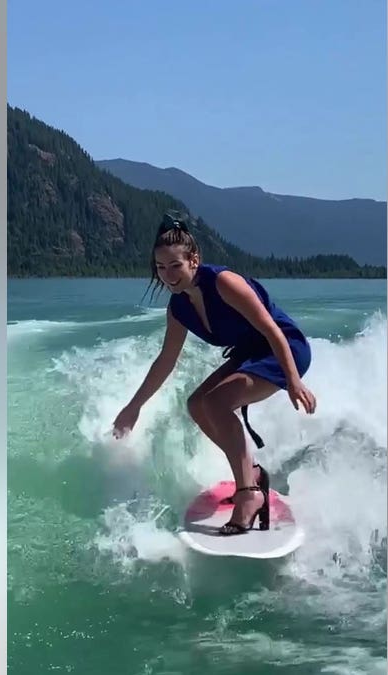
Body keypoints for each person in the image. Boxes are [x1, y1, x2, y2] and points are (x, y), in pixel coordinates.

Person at [112, 211, 317, 535]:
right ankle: (253, 475)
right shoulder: (179, 308)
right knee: (197, 404)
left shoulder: (224, 283)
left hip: (284, 350)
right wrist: (134, 406)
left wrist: (293, 380)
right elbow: (166, 360)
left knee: (218, 403)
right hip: (250, 354)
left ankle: (249, 495)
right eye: (160, 268)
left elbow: (272, 330)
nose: (167, 275)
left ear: (193, 260)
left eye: (175, 265)